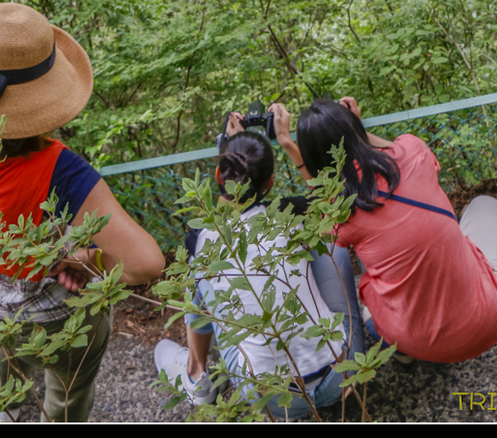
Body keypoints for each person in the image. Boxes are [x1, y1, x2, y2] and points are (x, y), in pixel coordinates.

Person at [0, 2, 165, 422]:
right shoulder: (59, 171)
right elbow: (145, 264)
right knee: (68, 395)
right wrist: (78, 258)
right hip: (58, 318)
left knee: (6, 360)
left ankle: (8, 408)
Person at [269, 97, 497, 365]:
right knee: (485, 204)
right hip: (488, 322)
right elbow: (388, 149)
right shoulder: (414, 151)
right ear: (355, 128)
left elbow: (325, 200)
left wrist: (289, 146)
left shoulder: (342, 212)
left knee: (370, 283)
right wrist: (355, 128)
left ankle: (403, 352)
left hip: (416, 342)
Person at [153, 113, 365, 420]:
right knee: (331, 243)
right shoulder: (289, 212)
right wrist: (288, 143)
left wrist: (228, 148)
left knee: (200, 275)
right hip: (340, 377)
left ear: (217, 175)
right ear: (271, 183)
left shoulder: (200, 236)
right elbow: (332, 203)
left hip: (269, 399)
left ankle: (197, 373)